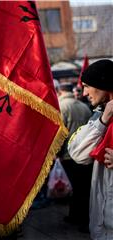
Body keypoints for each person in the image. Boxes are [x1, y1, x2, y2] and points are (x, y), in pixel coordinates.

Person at [68, 59, 113, 240]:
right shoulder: (99, 115)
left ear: (104, 84)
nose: (84, 92)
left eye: (87, 86)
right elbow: (77, 153)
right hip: (101, 223)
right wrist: (104, 119)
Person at [56, 82, 92, 232]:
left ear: (59, 91)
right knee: (83, 188)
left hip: (68, 154)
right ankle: (77, 216)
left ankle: (80, 218)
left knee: (76, 189)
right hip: (87, 154)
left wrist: (56, 153)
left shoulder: (61, 107)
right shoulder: (84, 107)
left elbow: (59, 135)